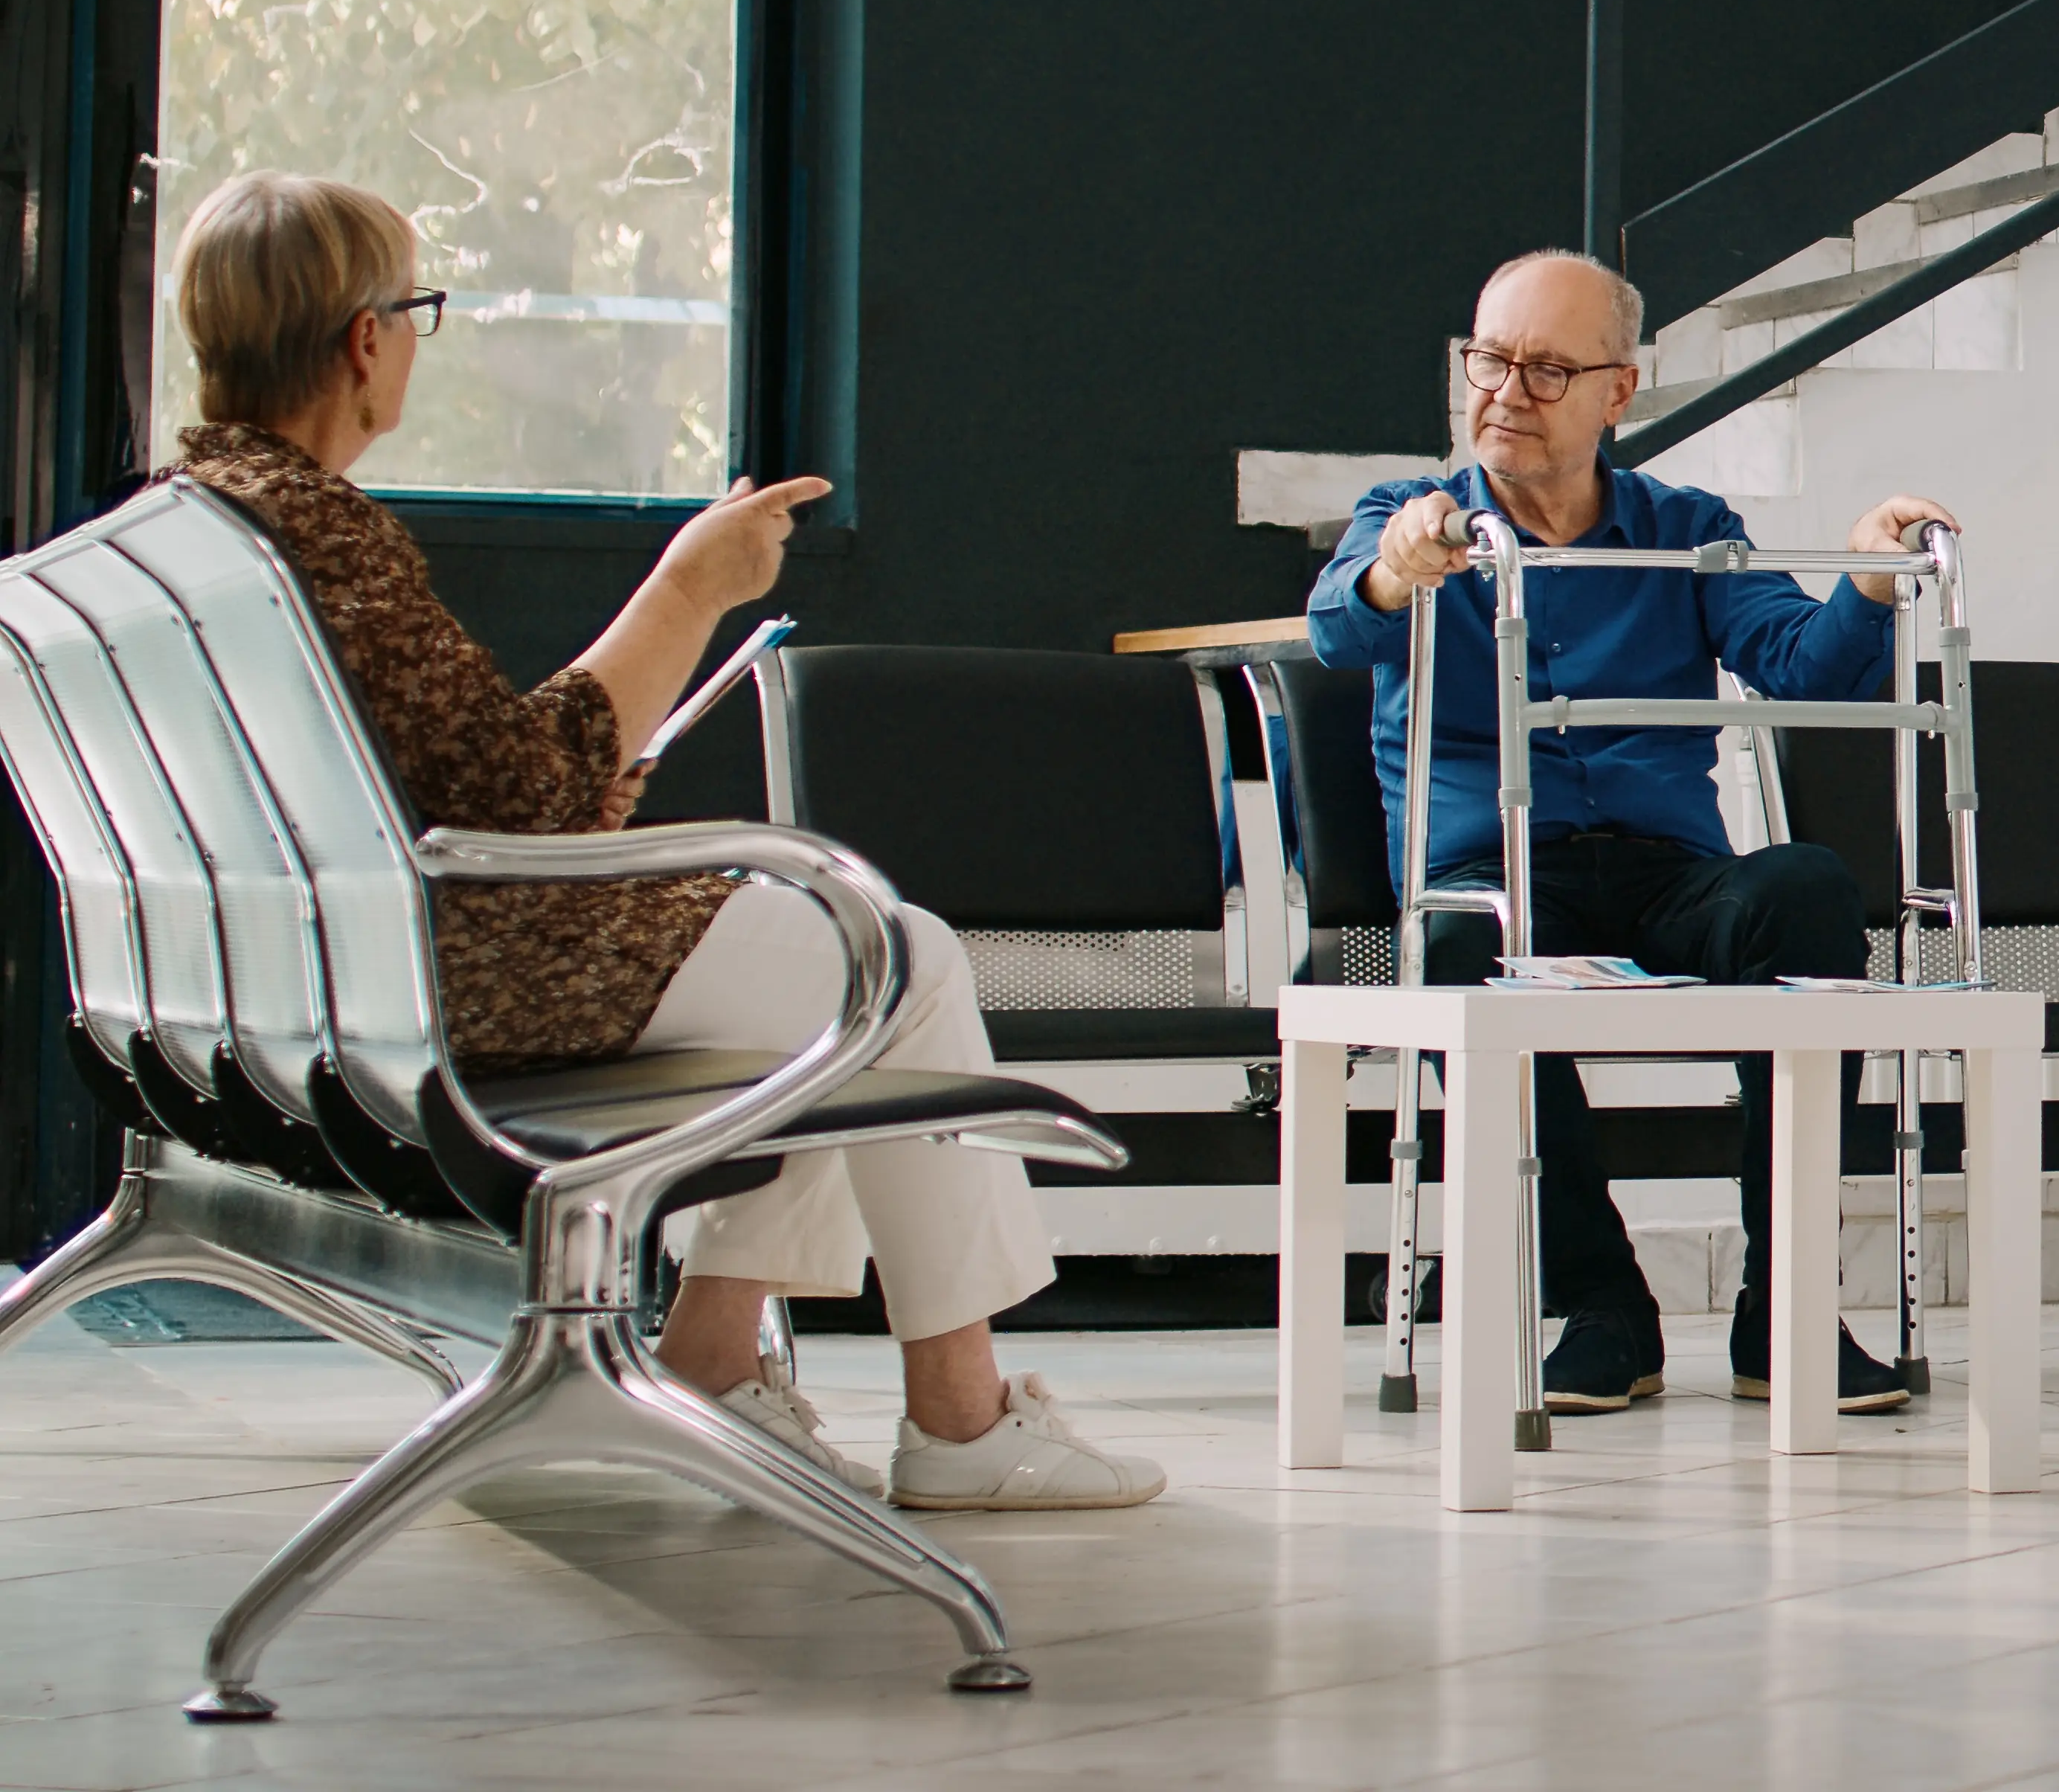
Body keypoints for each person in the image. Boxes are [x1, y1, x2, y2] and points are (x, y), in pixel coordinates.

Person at [155, 174, 1160, 1509]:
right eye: (418, 311)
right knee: (887, 960)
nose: (414, 339)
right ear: (363, 339)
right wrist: (689, 587)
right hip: (446, 986)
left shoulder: (203, 521)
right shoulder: (320, 541)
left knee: (813, 974)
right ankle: (963, 1422)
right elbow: (517, 799)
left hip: (322, 981)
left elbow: (464, 787)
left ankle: (715, 1359)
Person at [1306, 249, 1956, 1416]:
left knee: (1806, 887)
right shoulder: (1416, 518)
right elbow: (1339, 626)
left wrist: (1866, 581)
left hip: (1665, 878)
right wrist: (1399, 571)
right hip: (1492, 876)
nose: (1503, 391)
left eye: (1547, 370)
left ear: (1619, 391)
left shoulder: (1686, 527)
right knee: (1465, 953)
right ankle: (1604, 1306)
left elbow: (1803, 669)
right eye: (1489, 360)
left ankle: (1787, 1308)